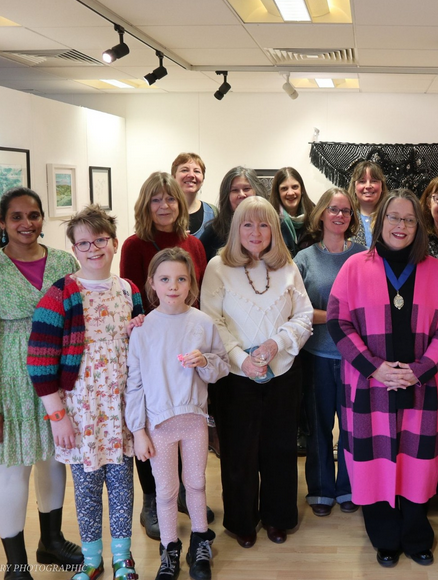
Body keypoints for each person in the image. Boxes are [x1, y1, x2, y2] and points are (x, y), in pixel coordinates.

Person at [327, 190, 438, 568]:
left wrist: (419, 370)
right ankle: (384, 537)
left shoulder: (434, 269)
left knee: (418, 464)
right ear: (380, 222)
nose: (400, 226)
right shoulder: (354, 266)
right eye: (393, 218)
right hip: (370, 386)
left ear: (418, 227)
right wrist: (374, 367)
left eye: (409, 219)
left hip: (424, 387)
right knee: (374, 463)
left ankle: (417, 536)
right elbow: (338, 321)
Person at [0, 187, 82, 579]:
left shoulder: (64, 261)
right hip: (9, 385)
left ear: (43, 219)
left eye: (33, 215)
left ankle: (51, 541)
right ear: (2, 223)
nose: (26, 224)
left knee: (53, 459)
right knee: (12, 470)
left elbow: (81, 319)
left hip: (57, 378)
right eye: (16, 217)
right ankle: (16, 566)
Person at [28, 205, 144, 580]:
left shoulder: (129, 290)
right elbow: (40, 363)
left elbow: (141, 347)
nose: (93, 248)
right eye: (84, 243)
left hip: (122, 409)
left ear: (113, 242)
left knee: (123, 487)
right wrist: (57, 416)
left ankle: (123, 558)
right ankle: (92, 559)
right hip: (80, 413)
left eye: (100, 240)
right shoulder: (61, 293)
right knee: (87, 489)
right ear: (74, 250)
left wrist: (142, 327)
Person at [201, 196, 313, 548]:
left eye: (264, 224)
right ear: (236, 229)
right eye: (248, 224)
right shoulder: (218, 267)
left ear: (274, 229)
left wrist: (274, 345)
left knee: (279, 451)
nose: (256, 231)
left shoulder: (287, 267)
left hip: (282, 374)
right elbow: (211, 321)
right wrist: (240, 357)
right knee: (239, 453)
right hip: (236, 379)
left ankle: (278, 517)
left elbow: (304, 316)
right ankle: (242, 521)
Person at [126, 248, 230, 580]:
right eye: (165, 279)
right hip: (159, 425)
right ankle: (169, 549)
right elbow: (134, 385)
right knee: (166, 490)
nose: (173, 286)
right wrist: (138, 431)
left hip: (194, 420)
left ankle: (200, 541)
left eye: (181, 279)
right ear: (152, 284)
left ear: (191, 285)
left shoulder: (202, 322)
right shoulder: (142, 330)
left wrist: (206, 363)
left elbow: (221, 367)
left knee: (196, 483)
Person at [119, 171, 210, 539]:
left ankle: (188, 492)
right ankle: (153, 499)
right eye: (156, 199)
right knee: (155, 424)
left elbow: (198, 295)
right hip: (152, 343)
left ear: (180, 203)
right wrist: (139, 321)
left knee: (188, 423)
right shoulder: (134, 244)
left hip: (188, 345)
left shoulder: (194, 244)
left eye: (170, 198)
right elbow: (132, 295)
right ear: (146, 204)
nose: (164, 206)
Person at [294, 187, 366, 518]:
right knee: (319, 427)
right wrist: (341, 316)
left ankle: (350, 487)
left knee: (353, 427)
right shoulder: (305, 259)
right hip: (316, 357)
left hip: (355, 359)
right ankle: (321, 489)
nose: (340, 216)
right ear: (322, 212)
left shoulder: (364, 255)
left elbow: (370, 307)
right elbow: (297, 311)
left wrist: (328, 315)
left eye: (346, 211)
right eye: (334, 210)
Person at [200, 166, 267, 261]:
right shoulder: (214, 231)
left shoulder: (274, 225)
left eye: (246, 189)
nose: (242, 194)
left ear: (257, 192)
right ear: (226, 196)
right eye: (235, 190)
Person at [270, 167, 315, 257]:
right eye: (284, 188)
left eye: (295, 187)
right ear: (278, 192)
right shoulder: (269, 218)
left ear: (301, 190)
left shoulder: (316, 215)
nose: (290, 193)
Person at [172, 153, 216, 239]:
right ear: (173, 177)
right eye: (184, 170)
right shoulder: (163, 212)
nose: (191, 175)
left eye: (197, 171)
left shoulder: (213, 213)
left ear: (203, 180)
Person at [348, 160, 388, 247]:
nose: (368, 186)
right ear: (354, 187)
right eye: (362, 181)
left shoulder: (391, 217)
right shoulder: (345, 217)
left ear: (382, 187)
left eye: (374, 181)